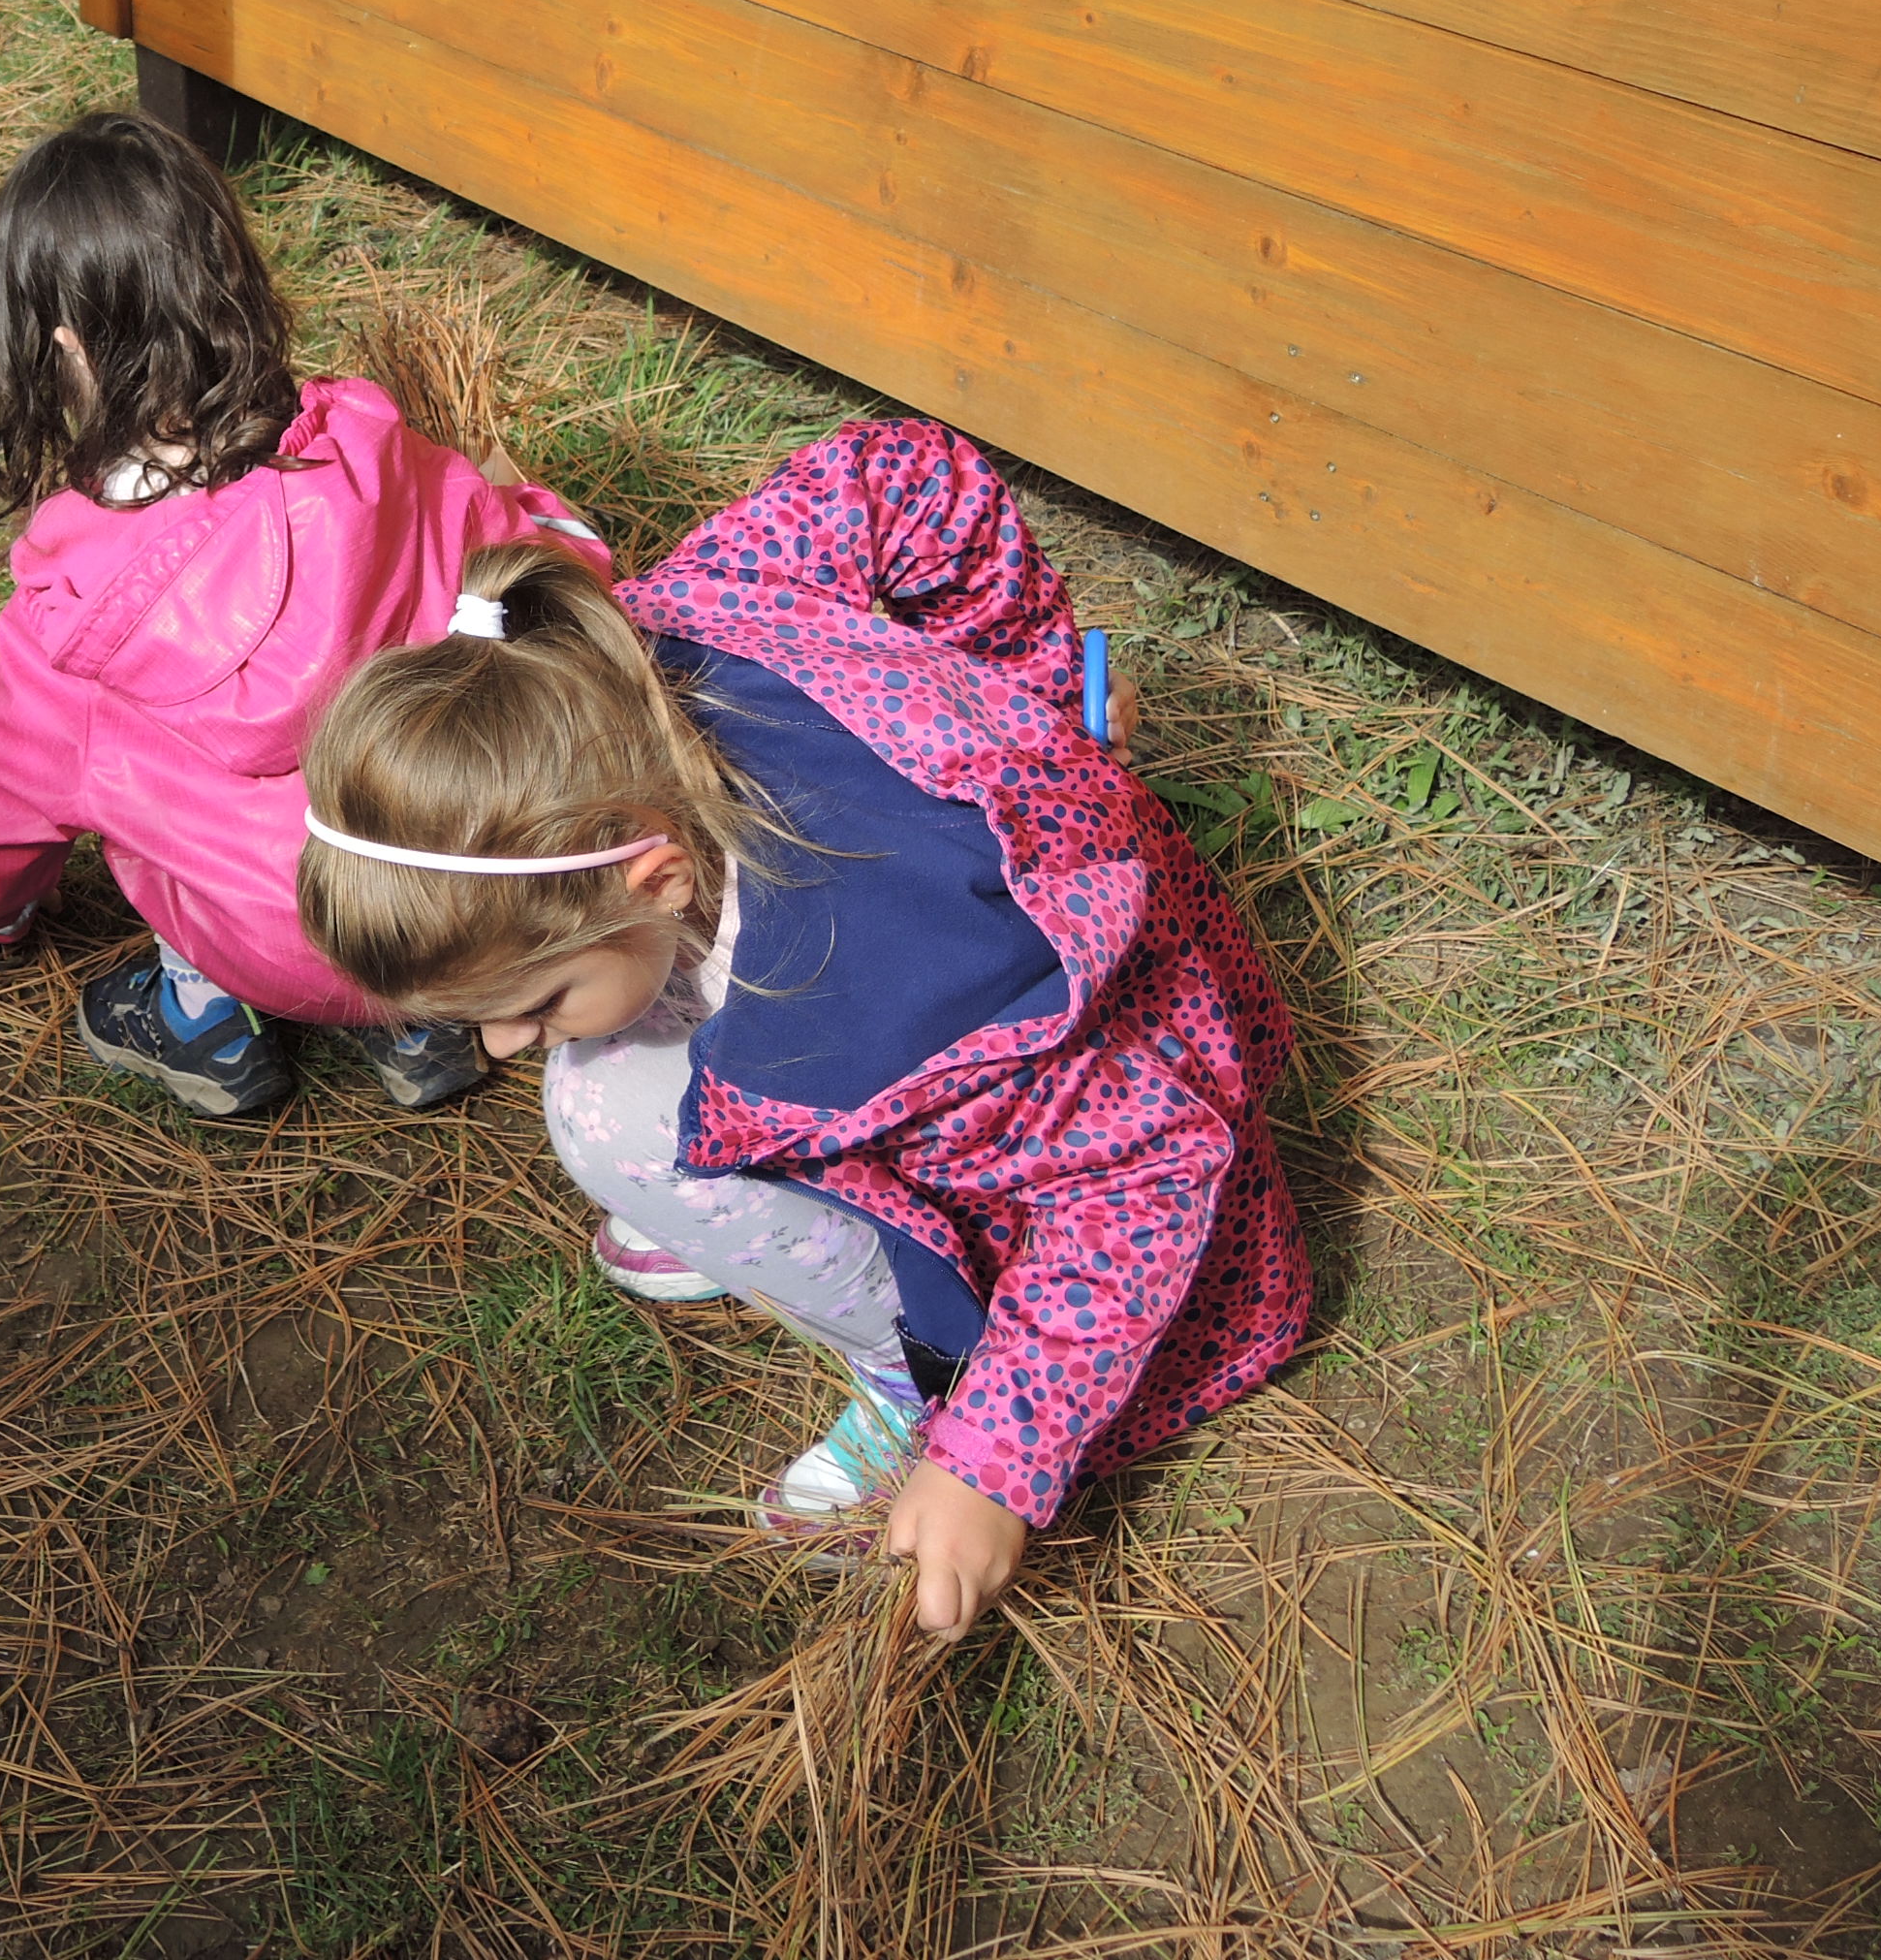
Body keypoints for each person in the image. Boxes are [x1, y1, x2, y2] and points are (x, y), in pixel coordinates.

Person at [295, 424, 1311, 1640]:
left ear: (656, 880)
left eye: (534, 1003)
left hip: (1050, 1035)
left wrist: (994, 1457)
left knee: (600, 1115)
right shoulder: (635, 654)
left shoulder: (934, 996)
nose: (506, 1048)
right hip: (844, 996)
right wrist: (1021, 679)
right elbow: (903, 476)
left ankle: (914, 1376)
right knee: (607, 1107)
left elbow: (1142, 1177)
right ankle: (736, 1204)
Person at [0, 112, 612, 1120]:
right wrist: (555, 519)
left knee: (142, 816)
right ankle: (425, 1020)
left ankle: (202, 1019)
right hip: (466, 896)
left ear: (60, 345)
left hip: (277, 944)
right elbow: (540, 571)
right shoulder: (379, 458)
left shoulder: (76, 611)